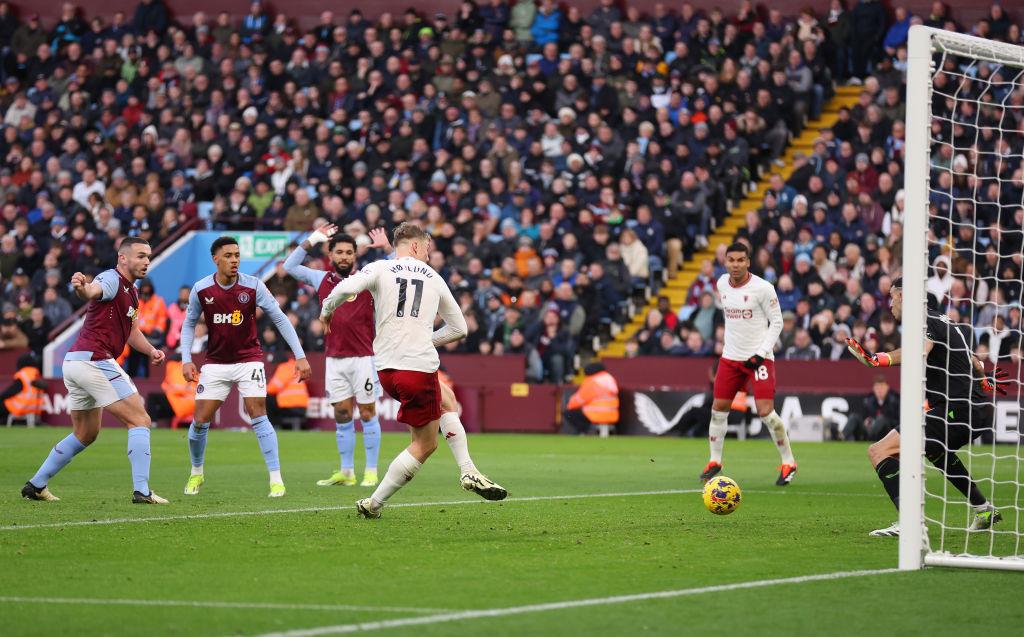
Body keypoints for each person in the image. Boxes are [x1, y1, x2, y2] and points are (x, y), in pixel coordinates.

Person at [320, 223, 507, 519]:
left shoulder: (379, 268)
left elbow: (345, 288)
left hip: (386, 372)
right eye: (428, 250)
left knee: (447, 400)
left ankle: (469, 470)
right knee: (425, 444)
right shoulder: (434, 277)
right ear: (417, 246)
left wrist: (327, 309)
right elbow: (460, 328)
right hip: (417, 368)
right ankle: (376, 502)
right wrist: (426, 340)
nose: (430, 257)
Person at [847, 277, 1005, 537]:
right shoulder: (944, 320)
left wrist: (877, 359)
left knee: (879, 451)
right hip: (974, 409)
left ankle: (910, 523)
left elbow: (919, 350)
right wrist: (985, 384)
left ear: (905, 296)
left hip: (956, 409)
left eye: (893, 297)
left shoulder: (924, 321)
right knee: (936, 453)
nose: (890, 304)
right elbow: (975, 362)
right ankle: (983, 508)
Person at [21, 238, 169, 504]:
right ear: (123, 258)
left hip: (75, 363)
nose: (146, 261)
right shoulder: (111, 279)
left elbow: (133, 333)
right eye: (140, 256)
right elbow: (92, 292)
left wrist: (151, 351)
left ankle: (36, 485)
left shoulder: (132, 292)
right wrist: (83, 287)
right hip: (95, 360)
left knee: (85, 433)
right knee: (140, 420)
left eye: (148, 256)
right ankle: (142, 491)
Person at [178, 236, 311, 498]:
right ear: (215, 259)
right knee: (199, 422)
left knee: (258, 414)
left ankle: (276, 479)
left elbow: (281, 319)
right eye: (228, 255)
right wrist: (186, 359)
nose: (234, 260)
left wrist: (300, 355)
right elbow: (189, 324)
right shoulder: (202, 289)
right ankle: (196, 472)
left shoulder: (253, 286)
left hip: (249, 359)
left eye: (237, 255)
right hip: (215, 363)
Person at [284, 225, 383, 486]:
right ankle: (347, 472)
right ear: (330, 255)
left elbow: (398, 266)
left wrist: (386, 248)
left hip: (364, 357)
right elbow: (290, 267)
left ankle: (371, 471)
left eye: (349, 252)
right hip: (334, 359)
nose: (344, 257)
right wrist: (311, 239)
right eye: (339, 252)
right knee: (341, 414)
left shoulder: (368, 278)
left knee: (368, 413)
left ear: (355, 256)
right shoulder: (321, 280)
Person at [700, 242, 798, 486]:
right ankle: (715, 461)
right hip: (730, 358)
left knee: (767, 413)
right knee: (718, 410)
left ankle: (789, 462)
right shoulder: (722, 284)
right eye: (731, 260)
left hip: (759, 359)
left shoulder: (763, 288)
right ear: (725, 262)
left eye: (740, 260)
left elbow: (777, 323)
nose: (735, 265)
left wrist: (761, 353)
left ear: (748, 262)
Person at [563, 361, 619, 435]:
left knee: (569, 413)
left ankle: (584, 432)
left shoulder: (592, 381)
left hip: (595, 415)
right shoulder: (610, 379)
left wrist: (569, 406)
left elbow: (579, 399)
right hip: (612, 415)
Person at [842, 375, 899, 441]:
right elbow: (863, 416)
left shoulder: (895, 400)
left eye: (882, 387)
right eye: (877, 387)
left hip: (887, 433)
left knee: (881, 419)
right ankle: (842, 436)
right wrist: (866, 420)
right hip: (868, 429)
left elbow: (897, 422)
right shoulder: (869, 401)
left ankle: (869, 437)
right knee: (854, 416)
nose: (880, 390)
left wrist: (883, 420)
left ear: (887, 388)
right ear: (874, 389)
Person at [0, 352, 47, 422]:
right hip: (35, 409)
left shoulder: (23, 374)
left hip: (21, 407)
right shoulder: (36, 374)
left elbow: (11, 391)